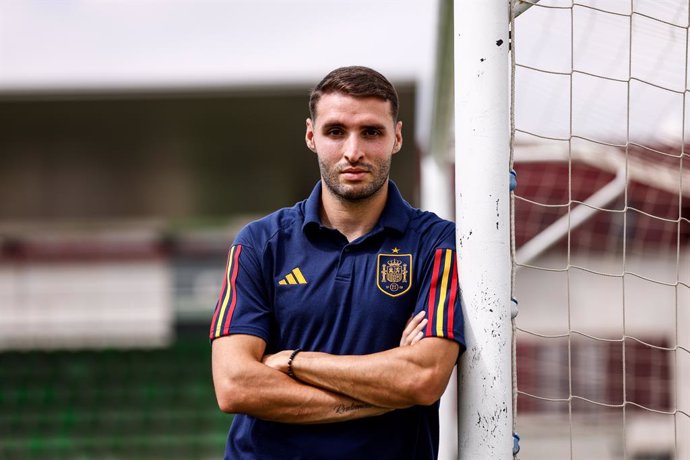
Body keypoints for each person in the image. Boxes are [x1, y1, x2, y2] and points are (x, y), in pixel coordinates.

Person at [209, 65, 465, 460]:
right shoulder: (260, 243)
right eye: (335, 131)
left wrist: (295, 361)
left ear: (397, 137)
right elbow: (235, 385)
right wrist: (382, 394)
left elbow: (422, 378)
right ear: (311, 136)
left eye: (372, 132)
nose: (353, 151)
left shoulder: (437, 243)